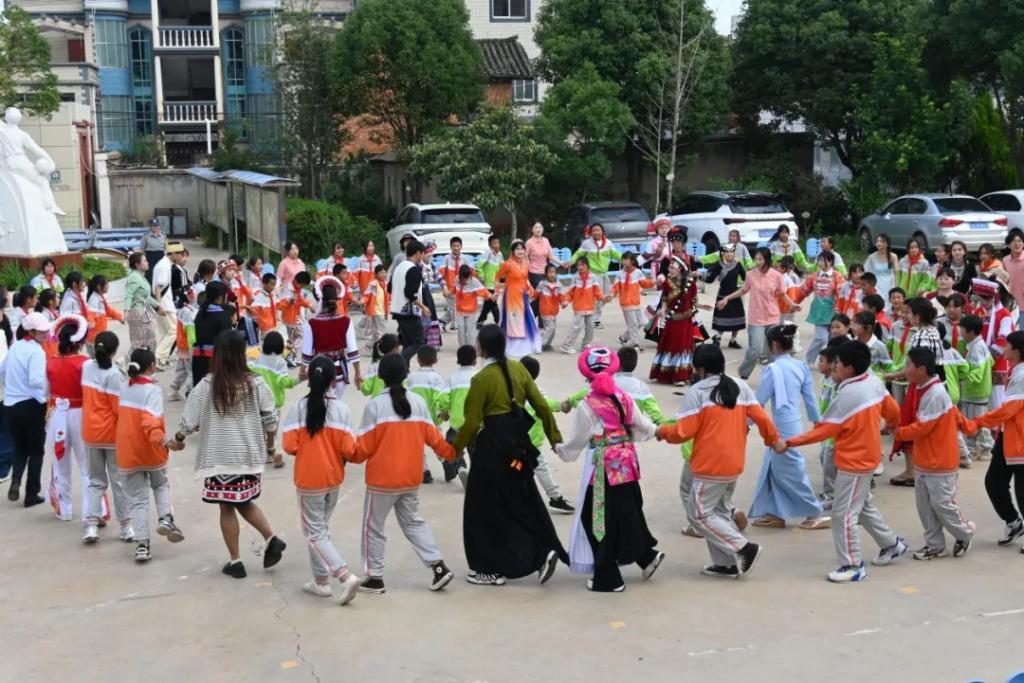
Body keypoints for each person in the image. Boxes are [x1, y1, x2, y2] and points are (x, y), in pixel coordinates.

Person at [657, 344, 784, 579]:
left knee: (698, 514)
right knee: (720, 512)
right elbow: (762, 418)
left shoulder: (698, 391)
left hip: (709, 464)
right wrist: (774, 441)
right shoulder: (740, 386)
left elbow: (683, 432)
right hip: (733, 461)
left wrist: (661, 431)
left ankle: (743, 548)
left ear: (701, 369)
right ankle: (726, 564)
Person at [786, 340, 907, 583]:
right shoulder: (873, 381)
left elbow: (825, 430)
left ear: (849, 368)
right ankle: (891, 544)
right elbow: (893, 410)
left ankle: (852, 565)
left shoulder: (849, 394)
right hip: (866, 457)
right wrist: (891, 426)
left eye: (837, 363)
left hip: (855, 461)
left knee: (843, 514)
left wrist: (789, 443)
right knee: (863, 507)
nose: (834, 367)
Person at [454, 325, 566, 586]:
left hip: (492, 448)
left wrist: (456, 448)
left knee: (482, 509)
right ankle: (541, 552)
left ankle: (488, 569)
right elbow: (541, 406)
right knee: (521, 502)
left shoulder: (481, 379)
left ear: (481, 348)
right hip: (519, 446)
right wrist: (555, 439)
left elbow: (472, 423)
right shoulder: (519, 369)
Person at [176, 330, 286, 579]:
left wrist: (178, 438)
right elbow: (270, 418)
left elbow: (188, 419)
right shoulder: (255, 383)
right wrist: (270, 446)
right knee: (243, 500)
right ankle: (271, 538)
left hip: (220, 457)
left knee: (227, 506)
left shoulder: (207, 385)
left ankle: (236, 561)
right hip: (248, 455)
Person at [556, 347, 664, 592]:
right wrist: (660, 432)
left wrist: (561, 450)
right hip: (626, 462)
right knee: (626, 511)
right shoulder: (623, 397)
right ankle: (646, 557)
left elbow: (577, 441)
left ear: (587, 375)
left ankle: (608, 577)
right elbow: (643, 426)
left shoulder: (588, 404)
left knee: (596, 519)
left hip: (601, 468)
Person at [350, 353, 457, 594]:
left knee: (373, 528)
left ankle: (374, 577)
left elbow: (361, 450)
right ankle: (438, 566)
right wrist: (452, 452)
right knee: (413, 522)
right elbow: (435, 440)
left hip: (382, 480)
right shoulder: (417, 403)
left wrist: (345, 453)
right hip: (411, 477)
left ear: (381, 376)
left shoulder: (375, 406)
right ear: (406, 374)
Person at [281, 355, 362, 604]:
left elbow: (289, 446)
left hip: (309, 479)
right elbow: (349, 450)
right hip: (333, 478)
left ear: (309, 379)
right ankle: (321, 581)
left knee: (314, 533)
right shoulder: (342, 409)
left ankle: (343, 575)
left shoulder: (299, 408)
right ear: (333, 381)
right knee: (320, 530)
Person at [893, 348, 975, 560]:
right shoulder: (923, 389)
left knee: (942, 504)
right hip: (925, 460)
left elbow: (923, 427)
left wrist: (898, 432)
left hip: (940, 461)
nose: (906, 370)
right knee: (925, 507)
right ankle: (935, 545)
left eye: (908, 365)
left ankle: (964, 533)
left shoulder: (935, 393)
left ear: (921, 369)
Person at [749, 324, 829, 530]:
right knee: (773, 467)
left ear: (774, 345)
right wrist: (817, 422)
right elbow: (810, 398)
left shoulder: (772, 369)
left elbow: (758, 402)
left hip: (781, 426)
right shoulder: (801, 366)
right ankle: (775, 512)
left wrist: (745, 424)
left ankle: (813, 512)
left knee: (790, 470)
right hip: (794, 423)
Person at [117, 348, 185, 562]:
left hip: (128, 453)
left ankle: (142, 546)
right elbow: (149, 423)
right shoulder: (152, 391)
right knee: (161, 484)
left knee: (138, 502)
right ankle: (165, 519)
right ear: (153, 366)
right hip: (151, 451)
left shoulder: (124, 388)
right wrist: (166, 442)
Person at [961, 331, 1024, 545]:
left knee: (1022, 490)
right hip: (1009, 437)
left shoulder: (1021, 375)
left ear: (1017, 351)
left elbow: (1008, 409)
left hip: (1020, 440)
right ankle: (1014, 522)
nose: (1004, 349)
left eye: (1007, 346)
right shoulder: (1016, 371)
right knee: (994, 482)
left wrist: (979, 422)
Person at [81, 331, 133, 544]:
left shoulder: (86, 368)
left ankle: (91, 526)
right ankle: (126, 527)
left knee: (95, 482)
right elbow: (119, 409)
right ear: (114, 351)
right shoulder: (114, 375)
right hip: (111, 436)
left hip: (90, 434)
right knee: (119, 482)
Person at [717, 247, 799, 380]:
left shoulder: (777, 276)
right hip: (756, 319)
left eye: (760, 259)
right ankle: (743, 372)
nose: (757, 262)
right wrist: (727, 298)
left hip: (772, 318)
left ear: (767, 260)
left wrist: (792, 304)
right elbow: (743, 290)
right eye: (756, 259)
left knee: (772, 351)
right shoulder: (750, 275)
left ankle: (773, 377)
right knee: (756, 349)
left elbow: (782, 294)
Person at [1, 311, 51, 506]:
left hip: (10, 406)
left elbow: (2, 370)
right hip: (31, 405)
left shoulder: (15, 347)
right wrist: (50, 390)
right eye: (42, 331)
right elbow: (36, 381)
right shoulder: (37, 352)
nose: (46, 334)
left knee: (20, 447)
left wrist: (11, 386)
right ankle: (31, 494)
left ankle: (16, 480)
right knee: (37, 451)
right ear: (31, 332)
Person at [45, 315, 91, 521]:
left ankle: (65, 510)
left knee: (60, 464)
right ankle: (91, 511)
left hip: (57, 415)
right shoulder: (85, 363)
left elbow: (46, 392)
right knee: (86, 466)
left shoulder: (49, 363)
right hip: (81, 414)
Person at [519, 355, 578, 515]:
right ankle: (555, 497)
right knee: (541, 469)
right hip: (533, 445)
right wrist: (570, 402)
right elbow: (557, 406)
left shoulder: (510, 391)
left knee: (511, 469)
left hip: (513, 442)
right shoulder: (539, 395)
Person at [301, 282, 362, 394]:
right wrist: (358, 373)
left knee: (319, 402)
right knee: (337, 403)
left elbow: (307, 354)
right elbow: (353, 350)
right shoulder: (346, 321)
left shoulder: (311, 323)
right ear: (337, 299)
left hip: (318, 373)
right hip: (339, 373)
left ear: (320, 300)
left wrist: (302, 371)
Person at [249, 331, 298, 469]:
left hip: (256, 401)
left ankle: (257, 454)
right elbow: (283, 382)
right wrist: (298, 380)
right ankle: (271, 455)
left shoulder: (256, 358)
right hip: (273, 403)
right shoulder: (280, 363)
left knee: (259, 429)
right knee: (272, 430)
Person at [649, 255, 700, 385]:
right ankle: (667, 373)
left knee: (683, 345)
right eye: (669, 267)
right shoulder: (667, 283)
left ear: (680, 269)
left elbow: (694, 300)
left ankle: (681, 376)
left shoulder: (691, 284)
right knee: (670, 343)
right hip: (672, 318)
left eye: (672, 268)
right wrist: (663, 309)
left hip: (685, 319)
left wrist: (699, 306)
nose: (669, 270)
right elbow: (665, 299)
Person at [793, 250, 845, 365]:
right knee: (821, 338)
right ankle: (807, 360)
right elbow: (803, 291)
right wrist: (794, 303)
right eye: (819, 260)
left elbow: (841, 294)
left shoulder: (838, 276)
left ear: (830, 262)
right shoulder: (814, 276)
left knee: (833, 340)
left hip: (834, 312)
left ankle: (831, 362)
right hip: (819, 312)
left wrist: (840, 309)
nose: (819, 262)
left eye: (822, 260)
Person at [409, 345, 448, 484]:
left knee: (417, 446)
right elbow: (440, 398)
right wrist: (443, 412)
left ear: (418, 360)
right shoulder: (437, 378)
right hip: (433, 419)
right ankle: (447, 463)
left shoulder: (411, 378)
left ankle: (424, 471)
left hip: (416, 418)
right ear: (436, 360)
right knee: (438, 442)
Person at [440, 344, 477, 486]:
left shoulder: (452, 378)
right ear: (475, 360)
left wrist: (444, 411)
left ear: (458, 360)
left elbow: (444, 398)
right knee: (476, 451)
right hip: (476, 423)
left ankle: (461, 467)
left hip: (457, 423)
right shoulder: (480, 377)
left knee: (453, 448)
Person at [959, 315, 995, 461]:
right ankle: (972, 447)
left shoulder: (977, 348)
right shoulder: (976, 344)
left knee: (979, 421)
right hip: (973, 391)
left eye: (962, 329)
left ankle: (986, 447)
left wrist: (962, 379)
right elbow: (990, 362)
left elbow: (977, 372)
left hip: (976, 392)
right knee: (971, 420)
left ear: (971, 331)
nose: (960, 332)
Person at [390, 240, 431, 363]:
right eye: (423, 253)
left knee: (408, 343)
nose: (423, 257)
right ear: (418, 253)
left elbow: (389, 288)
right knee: (418, 342)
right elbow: (410, 293)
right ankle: (400, 363)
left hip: (397, 310)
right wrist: (423, 307)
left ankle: (403, 369)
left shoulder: (399, 267)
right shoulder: (413, 269)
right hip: (409, 312)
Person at [571, 224, 620, 326]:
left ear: (602, 231)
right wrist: (571, 262)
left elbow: (616, 255)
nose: (596, 232)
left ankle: (590, 315)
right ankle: (594, 319)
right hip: (593, 274)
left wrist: (628, 261)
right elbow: (578, 254)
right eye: (593, 231)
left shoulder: (608, 243)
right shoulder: (587, 243)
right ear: (590, 233)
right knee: (598, 297)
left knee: (607, 296)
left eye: (598, 230)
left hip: (604, 273)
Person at [190, 281, 234, 386]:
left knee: (200, 390)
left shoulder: (200, 313)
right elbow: (227, 342)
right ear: (220, 297)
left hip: (198, 358)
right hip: (215, 360)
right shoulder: (224, 316)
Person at [704, 244, 746, 349]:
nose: (730, 254)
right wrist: (700, 276)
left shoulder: (737, 264)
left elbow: (745, 277)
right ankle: (717, 338)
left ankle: (733, 340)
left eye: (731, 252)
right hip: (722, 295)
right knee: (722, 319)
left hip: (734, 295)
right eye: (727, 252)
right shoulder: (718, 265)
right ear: (722, 253)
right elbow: (710, 279)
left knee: (737, 319)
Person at [560, 256, 603, 354]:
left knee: (590, 327)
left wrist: (603, 298)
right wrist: (566, 301)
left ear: (587, 265)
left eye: (582, 265)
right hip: (579, 306)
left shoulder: (593, 277)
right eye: (578, 265)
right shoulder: (575, 277)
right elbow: (570, 293)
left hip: (590, 307)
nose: (580, 267)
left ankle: (585, 345)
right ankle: (566, 345)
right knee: (576, 327)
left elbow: (597, 291)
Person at [611, 252, 654, 349]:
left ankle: (623, 337)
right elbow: (615, 287)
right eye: (623, 259)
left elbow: (644, 283)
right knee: (633, 324)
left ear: (632, 261)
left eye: (626, 259)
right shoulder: (620, 274)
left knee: (641, 322)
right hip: (626, 303)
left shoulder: (638, 272)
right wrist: (612, 294)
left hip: (636, 303)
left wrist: (654, 282)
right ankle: (634, 343)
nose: (624, 261)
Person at [151, 242, 186, 363]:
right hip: (165, 304)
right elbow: (158, 287)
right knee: (173, 331)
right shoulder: (165, 266)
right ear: (174, 254)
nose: (182, 257)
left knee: (165, 333)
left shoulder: (163, 264)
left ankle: (160, 359)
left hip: (163, 303)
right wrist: (159, 305)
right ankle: (157, 358)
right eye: (180, 254)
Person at [816, 344, 841, 507]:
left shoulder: (836, 382)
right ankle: (832, 491)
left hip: (833, 429)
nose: (819, 364)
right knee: (824, 458)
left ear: (832, 364)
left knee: (829, 462)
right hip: (825, 427)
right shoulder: (824, 379)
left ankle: (831, 494)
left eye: (822, 361)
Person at [124, 251, 163, 354]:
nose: (147, 262)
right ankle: (127, 362)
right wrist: (126, 311)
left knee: (149, 341)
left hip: (143, 311)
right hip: (137, 312)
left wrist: (157, 306)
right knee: (138, 343)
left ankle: (148, 361)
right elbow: (129, 294)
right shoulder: (134, 277)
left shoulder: (140, 276)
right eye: (145, 261)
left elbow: (145, 296)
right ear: (137, 264)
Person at [525, 222, 561, 320]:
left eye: (540, 227)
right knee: (539, 297)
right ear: (532, 230)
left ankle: (539, 320)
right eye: (536, 227)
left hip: (545, 273)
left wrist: (561, 263)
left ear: (543, 229)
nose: (538, 229)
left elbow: (550, 256)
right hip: (534, 273)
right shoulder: (529, 242)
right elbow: (525, 257)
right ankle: (531, 318)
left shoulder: (545, 241)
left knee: (544, 297)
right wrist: (526, 270)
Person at [280, 270, 313, 367]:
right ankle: (288, 355)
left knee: (295, 337)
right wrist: (289, 301)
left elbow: (301, 300)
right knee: (299, 336)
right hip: (290, 318)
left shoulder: (297, 289)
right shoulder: (288, 289)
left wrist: (309, 305)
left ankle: (291, 357)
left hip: (296, 316)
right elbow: (280, 304)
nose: (302, 287)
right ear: (299, 282)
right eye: (303, 286)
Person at [437, 236, 472, 328]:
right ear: (450, 247)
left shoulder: (465, 258)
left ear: (461, 246)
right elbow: (440, 272)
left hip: (462, 288)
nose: (456, 248)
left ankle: (442, 321)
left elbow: (470, 272)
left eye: (458, 246)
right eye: (454, 246)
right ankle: (455, 325)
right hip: (450, 288)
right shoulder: (446, 258)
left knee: (455, 307)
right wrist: (444, 288)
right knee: (453, 307)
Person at [452, 264, 490, 348]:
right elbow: (454, 289)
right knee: (461, 329)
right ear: (460, 276)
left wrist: (491, 297)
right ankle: (463, 347)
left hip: (471, 310)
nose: (465, 280)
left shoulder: (474, 281)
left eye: (467, 278)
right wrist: (448, 293)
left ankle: (471, 347)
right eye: (463, 279)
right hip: (459, 310)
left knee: (470, 330)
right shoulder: (457, 279)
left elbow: (484, 292)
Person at [85, 275, 123, 357]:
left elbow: (108, 310)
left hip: (99, 337)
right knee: (98, 360)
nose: (108, 286)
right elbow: (90, 313)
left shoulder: (100, 296)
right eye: (106, 284)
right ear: (99, 286)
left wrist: (119, 317)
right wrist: (91, 321)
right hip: (94, 339)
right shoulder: (94, 299)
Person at [359, 265, 390, 354]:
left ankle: (368, 348)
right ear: (376, 274)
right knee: (381, 331)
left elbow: (388, 296)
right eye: (381, 273)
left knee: (376, 332)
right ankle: (378, 349)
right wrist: (361, 302)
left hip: (383, 311)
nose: (383, 274)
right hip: (376, 312)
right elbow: (366, 295)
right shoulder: (373, 284)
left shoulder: (385, 283)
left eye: (384, 272)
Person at [361, 334, 401, 399]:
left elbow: (366, 390)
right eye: (398, 347)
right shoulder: (400, 364)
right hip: (397, 402)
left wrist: (360, 384)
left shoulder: (375, 366)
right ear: (395, 349)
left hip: (378, 401)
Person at [535, 263, 564, 350]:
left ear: (556, 273)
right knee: (550, 328)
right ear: (546, 273)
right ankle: (539, 345)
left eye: (554, 272)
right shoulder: (542, 284)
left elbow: (561, 297)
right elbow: (535, 294)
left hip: (554, 311)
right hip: (545, 310)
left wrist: (563, 303)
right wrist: (527, 299)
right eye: (550, 272)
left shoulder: (559, 285)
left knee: (553, 331)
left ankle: (547, 345)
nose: (552, 274)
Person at [477, 234, 504, 325]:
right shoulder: (487, 253)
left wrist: (503, 278)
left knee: (488, 304)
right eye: (494, 243)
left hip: (496, 284)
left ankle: (480, 320)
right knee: (493, 303)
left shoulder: (500, 254)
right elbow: (479, 266)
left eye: (497, 243)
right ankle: (498, 321)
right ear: (489, 245)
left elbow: (502, 267)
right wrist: (481, 277)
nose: (496, 245)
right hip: (488, 284)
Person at [865, 233, 899, 301]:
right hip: (876, 284)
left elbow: (896, 273)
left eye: (881, 241)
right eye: (877, 241)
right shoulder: (872, 256)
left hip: (889, 284)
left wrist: (896, 286)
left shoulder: (893, 256)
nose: (879, 243)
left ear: (887, 244)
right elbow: (865, 270)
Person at [251, 272, 282, 336]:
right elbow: (253, 311)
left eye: (275, 285)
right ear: (264, 284)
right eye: (272, 285)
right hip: (264, 328)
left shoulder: (273, 295)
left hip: (273, 325)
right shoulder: (259, 296)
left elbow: (278, 306)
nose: (273, 287)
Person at [138, 218, 165, 283]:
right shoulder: (146, 236)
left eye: (157, 225)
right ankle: (149, 287)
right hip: (150, 256)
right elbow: (142, 248)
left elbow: (165, 246)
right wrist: (144, 259)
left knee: (161, 272)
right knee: (150, 273)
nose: (155, 227)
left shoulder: (163, 235)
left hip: (161, 255)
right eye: (153, 225)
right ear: (150, 226)